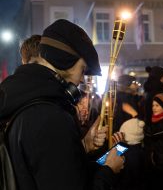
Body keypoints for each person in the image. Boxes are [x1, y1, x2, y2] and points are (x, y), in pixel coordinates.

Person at [0, 19, 124, 190]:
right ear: (66, 59)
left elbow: (47, 167)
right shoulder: (49, 116)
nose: (81, 79)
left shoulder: (25, 99)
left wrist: (83, 145)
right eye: (82, 69)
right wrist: (109, 170)